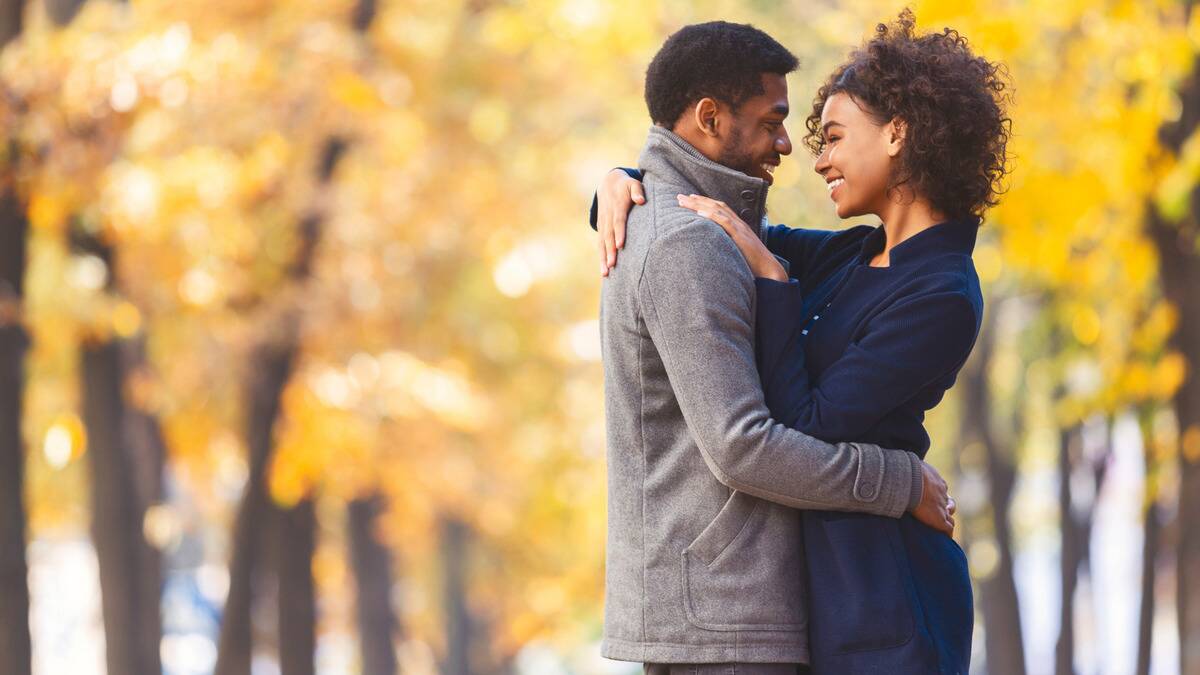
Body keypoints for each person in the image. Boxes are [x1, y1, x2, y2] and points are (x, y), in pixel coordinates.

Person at [593, 11, 1011, 674]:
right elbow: (718, 227)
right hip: (822, 588)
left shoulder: (941, 295)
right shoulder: (855, 256)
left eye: (836, 136)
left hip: (882, 596)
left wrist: (771, 280)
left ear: (898, 134)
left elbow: (805, 421)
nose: (815, 157)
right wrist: (625, 180)